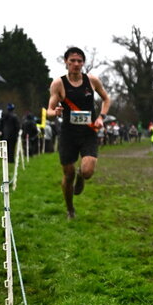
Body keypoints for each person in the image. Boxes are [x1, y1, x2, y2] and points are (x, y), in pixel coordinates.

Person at [46, 47, 110, 219]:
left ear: (83, 63)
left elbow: (106, 99)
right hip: (68, 134)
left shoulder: (92, 81)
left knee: (88, 171)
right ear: (66, 62)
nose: (76, 64)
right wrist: (55, 112)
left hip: (88, 132)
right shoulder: (58, 84)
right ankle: (70, 209)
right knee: (68, 174)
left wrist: (101, 117)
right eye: (72, 61)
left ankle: (82, 176)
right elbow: (49, 111)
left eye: (79, 61)